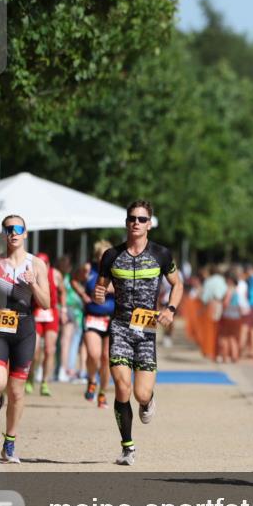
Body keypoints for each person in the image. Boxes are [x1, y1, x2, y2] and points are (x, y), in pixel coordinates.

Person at [94, 200, 183, 466]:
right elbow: (101, 289)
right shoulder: (111, 255)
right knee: (122, 386)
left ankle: (148, 401)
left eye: (142, 219)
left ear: (150, 224)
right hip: (120, 327)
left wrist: (171, 309)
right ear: (126, 222)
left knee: (141, 394)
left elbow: (177, 285)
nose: (136, 223)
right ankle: (127, 447)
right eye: (132, 218)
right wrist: (100, 295)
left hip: (146, 331)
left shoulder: (161, 254)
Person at [0, 214, 51, 463]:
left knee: (17, 391)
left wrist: (33, 286)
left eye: (18, 228)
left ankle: (9, 444)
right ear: (4, 234)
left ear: (26, 233)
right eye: (9, 229)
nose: (13, 232)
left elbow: (47, 303)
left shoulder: (37, 265)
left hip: (24, 328)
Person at [74, 240, 115, 409]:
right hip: (92, 317)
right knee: (93, 354)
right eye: (101, 256)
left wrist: (113, 288)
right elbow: (74, 280)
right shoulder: (88, 269)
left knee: (106, 358)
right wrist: (83, 294)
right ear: (96, 256)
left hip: (112, 318)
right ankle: (92, 379)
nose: (104, 260)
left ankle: (103, 393)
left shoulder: (117, 271)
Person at [27, 252, 63, 396]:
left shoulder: (56, 274)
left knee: (50, 350)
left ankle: (45, 382)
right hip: (36, 313)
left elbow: (63, 291)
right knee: (34, 351)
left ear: (48, 265)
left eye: (44, 264)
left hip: (51, 315)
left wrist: (64, 309)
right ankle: (30, 378)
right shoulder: (30, 274)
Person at [61, 257, 86, 382]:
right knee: (69, 341)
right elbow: (67, 296)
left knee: (74, 342)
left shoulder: (70, 280)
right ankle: (66, 369)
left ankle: (69, 369)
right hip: (71, 313)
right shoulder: (67, 280)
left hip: (77, 315)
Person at [218, 270, 243, 363]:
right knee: (233, 337)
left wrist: (222, 310)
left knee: (224, 336)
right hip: (236, 315)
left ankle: (225, 356)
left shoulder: (229, 289)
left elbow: (225, 303)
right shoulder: (237, 290)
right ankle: (234, 355)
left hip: (228, 315)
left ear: (229, 280)